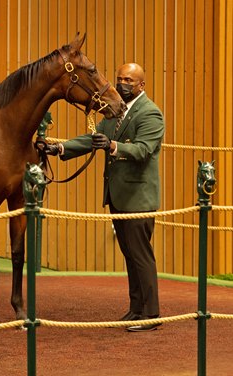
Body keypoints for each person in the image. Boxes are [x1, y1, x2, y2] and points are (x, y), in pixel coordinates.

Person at [46, 63, 165, 332]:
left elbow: (143, 151)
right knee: (129, 255)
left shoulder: (151, 113)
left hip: (138, 197)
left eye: (129, 80)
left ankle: (151, 314)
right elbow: (93, 139)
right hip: (117, 196)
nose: (122, 83)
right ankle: (136, 309)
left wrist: (112, 146)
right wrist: (59, 147)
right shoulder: (115, 110)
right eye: (120, 78)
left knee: (141, 256)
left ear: (141, 85)